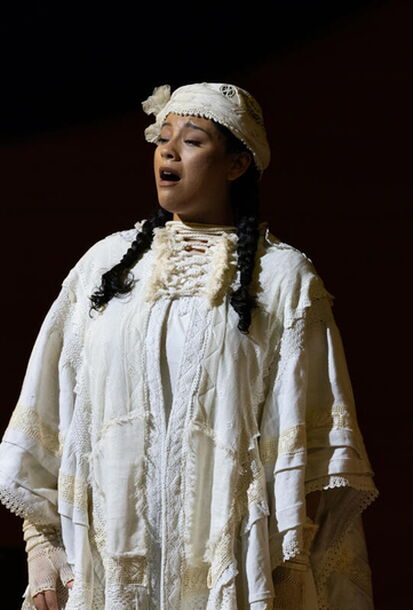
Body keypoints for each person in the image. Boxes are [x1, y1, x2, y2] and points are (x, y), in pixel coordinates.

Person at [0, 83, 377, 610]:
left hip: (231, 569)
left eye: (192, 140)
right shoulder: (103, 267)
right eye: (163, 138)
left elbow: (311, 445)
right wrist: (44, 551)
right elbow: (48, 412)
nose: (168, 151)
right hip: (109, 572)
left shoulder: (281, 278)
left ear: (236, 165)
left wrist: (289, 572)